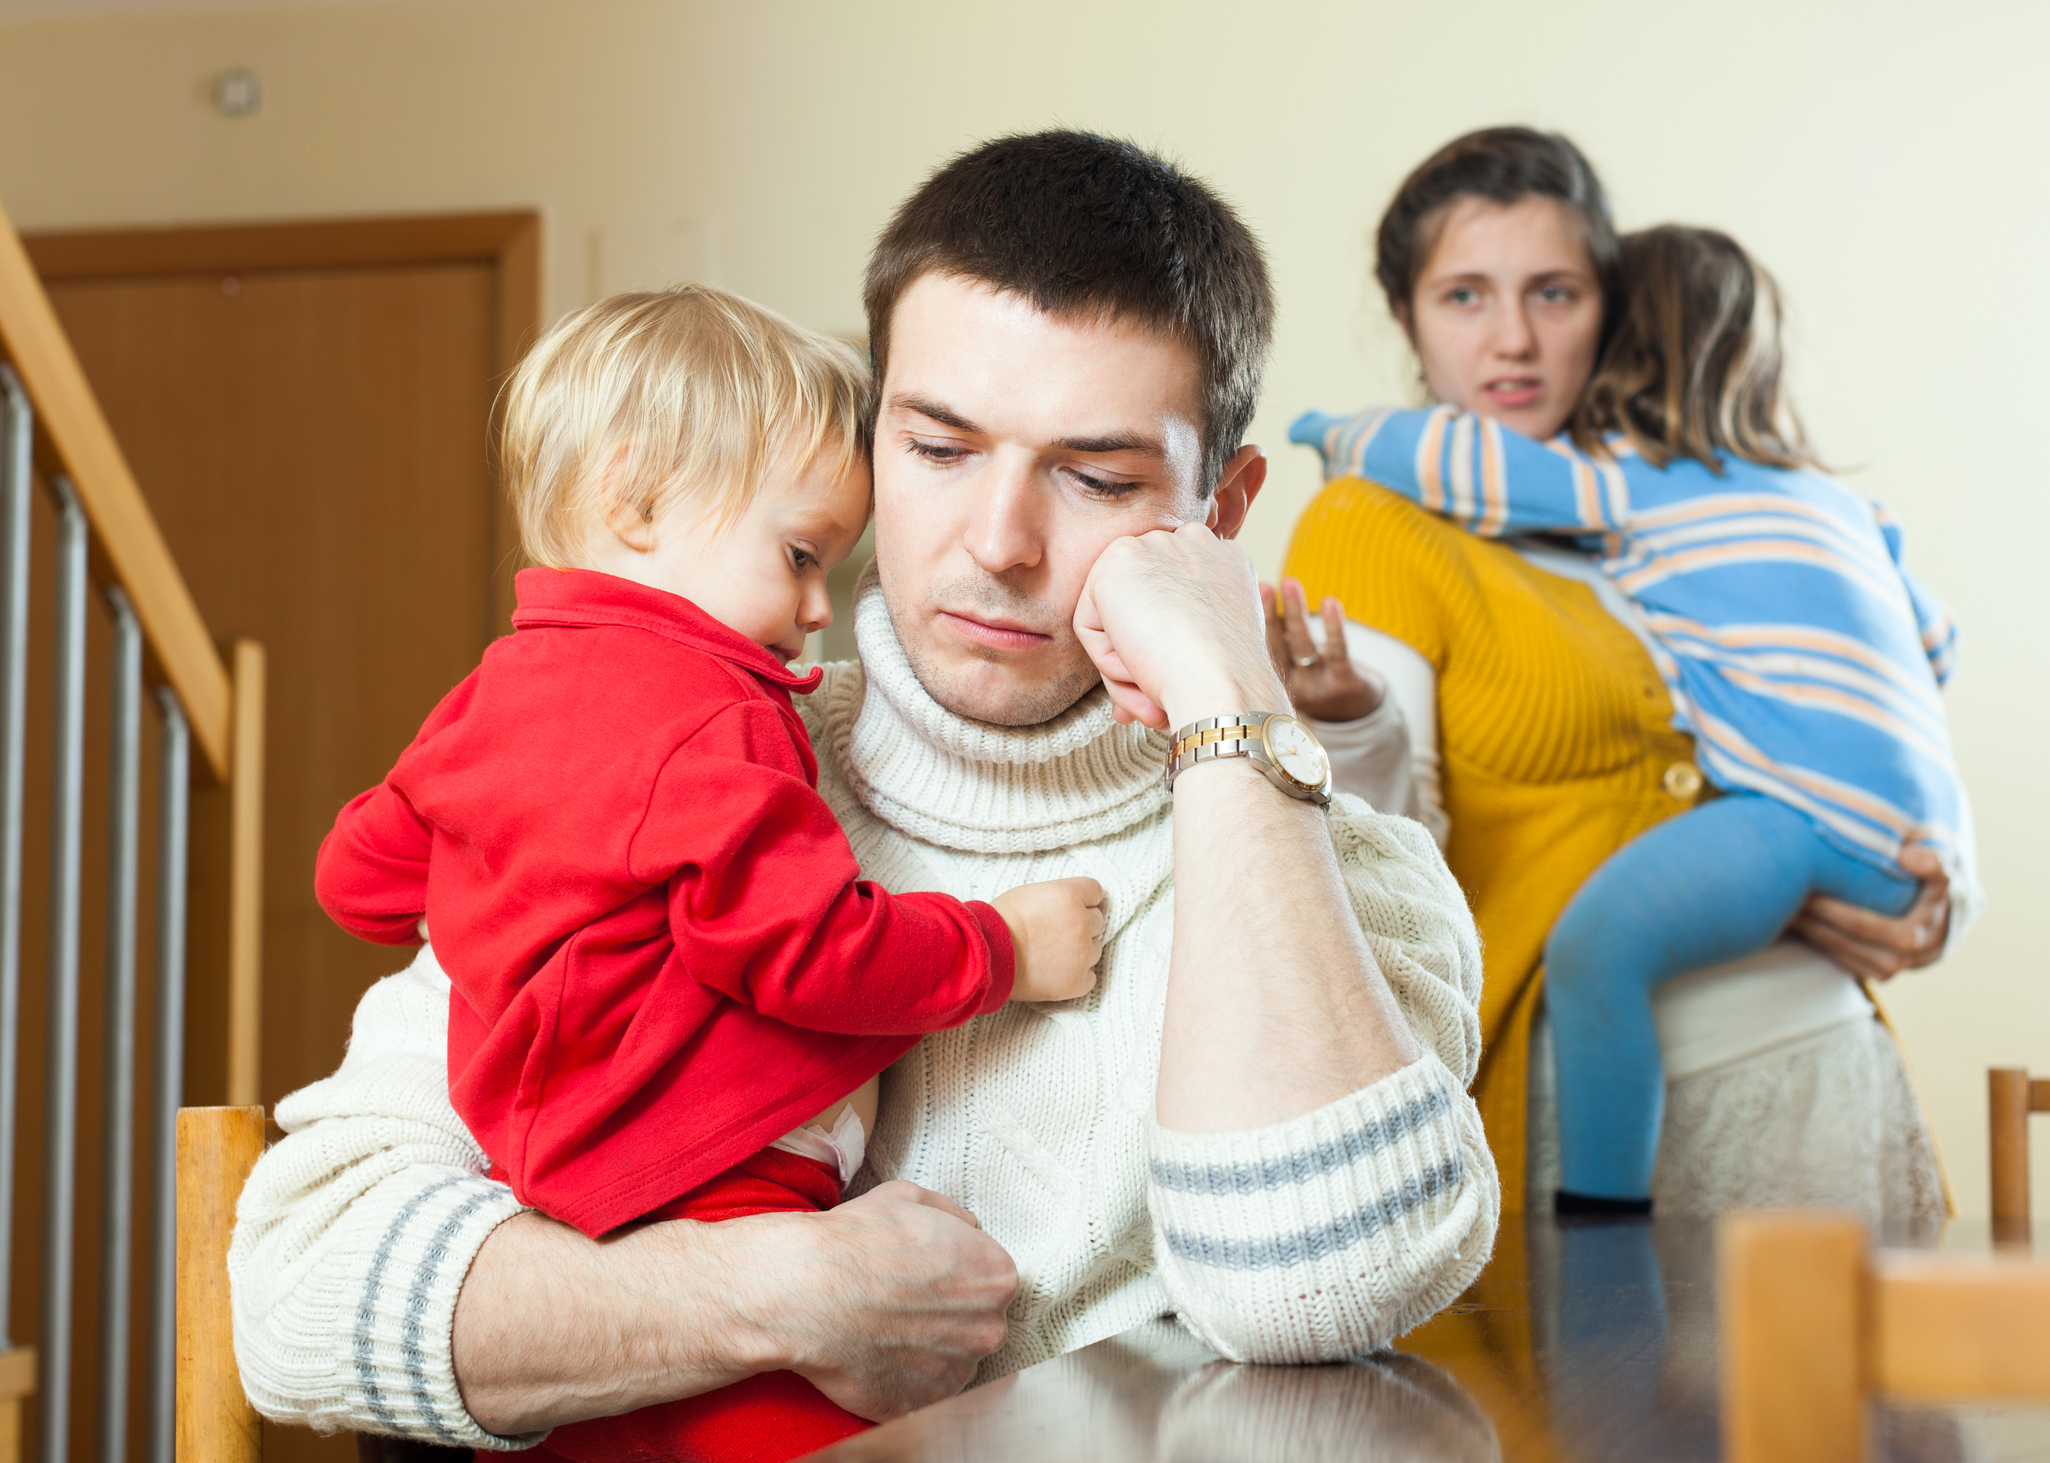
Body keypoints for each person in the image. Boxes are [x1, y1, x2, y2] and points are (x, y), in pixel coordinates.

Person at [230, 130, 1500, 1452]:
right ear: (872, 437)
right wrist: (781, 1292)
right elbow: (296, 1295)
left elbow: (1316, 1291)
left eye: (1095, 477)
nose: (997, 544)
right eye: (939, 448)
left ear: (1218, 510)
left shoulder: (1326, 861)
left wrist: (1227, 702)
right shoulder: (636, 762)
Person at [312, 285, 1109, 1460]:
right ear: (635, 501)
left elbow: (358, 879)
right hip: (712, 1174)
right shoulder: (708, 712)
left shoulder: (481, 699)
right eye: (798, 557)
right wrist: (1005, 947)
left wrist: (518, 887)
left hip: (540, 1196)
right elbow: (807, 949)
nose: (813, 611)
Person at [1273, 127, 1978, 1222]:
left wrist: (1933, 882)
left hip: (1831, 1079)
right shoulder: (1374, 521)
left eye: (1554, 293)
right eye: (1464, 295)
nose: (1514, 338)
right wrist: (1355, 728)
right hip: (1611, 1129)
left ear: (1611, 307)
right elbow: (1373, 877)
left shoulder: (1649, 509)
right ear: (1406, 316)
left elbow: (1832, 729)